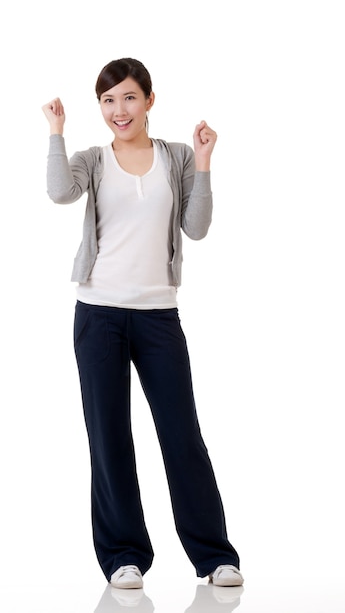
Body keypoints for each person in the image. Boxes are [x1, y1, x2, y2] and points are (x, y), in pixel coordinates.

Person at [42, 57, 243, 590]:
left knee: (182, 436)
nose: (118, 110)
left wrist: (203, 163)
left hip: (159, 317)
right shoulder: (92, 159)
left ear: (149, 101)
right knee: (109, 437)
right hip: (98, 313)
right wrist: (56, 134)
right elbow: (60, 193)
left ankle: (214, 556)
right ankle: (123, 557)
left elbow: (195, 228)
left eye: (128, 98)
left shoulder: (175, 156)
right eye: (108, 101)